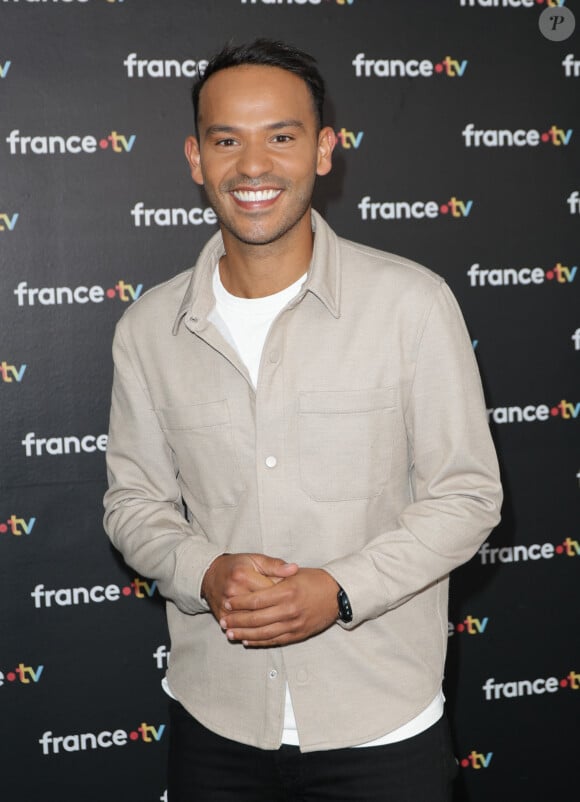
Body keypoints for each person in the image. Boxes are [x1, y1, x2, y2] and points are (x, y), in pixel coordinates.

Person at [103, 39, 502, 802]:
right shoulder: (148, 328)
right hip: (213, 726)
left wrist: (339, 591)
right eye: (228, 139)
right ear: (196, 157)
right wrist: (204, 573)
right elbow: (133, 505)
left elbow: (468, 497)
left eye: (281, 136)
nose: (253, 165)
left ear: (324, 151)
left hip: (382, 728)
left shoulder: (412, 305)